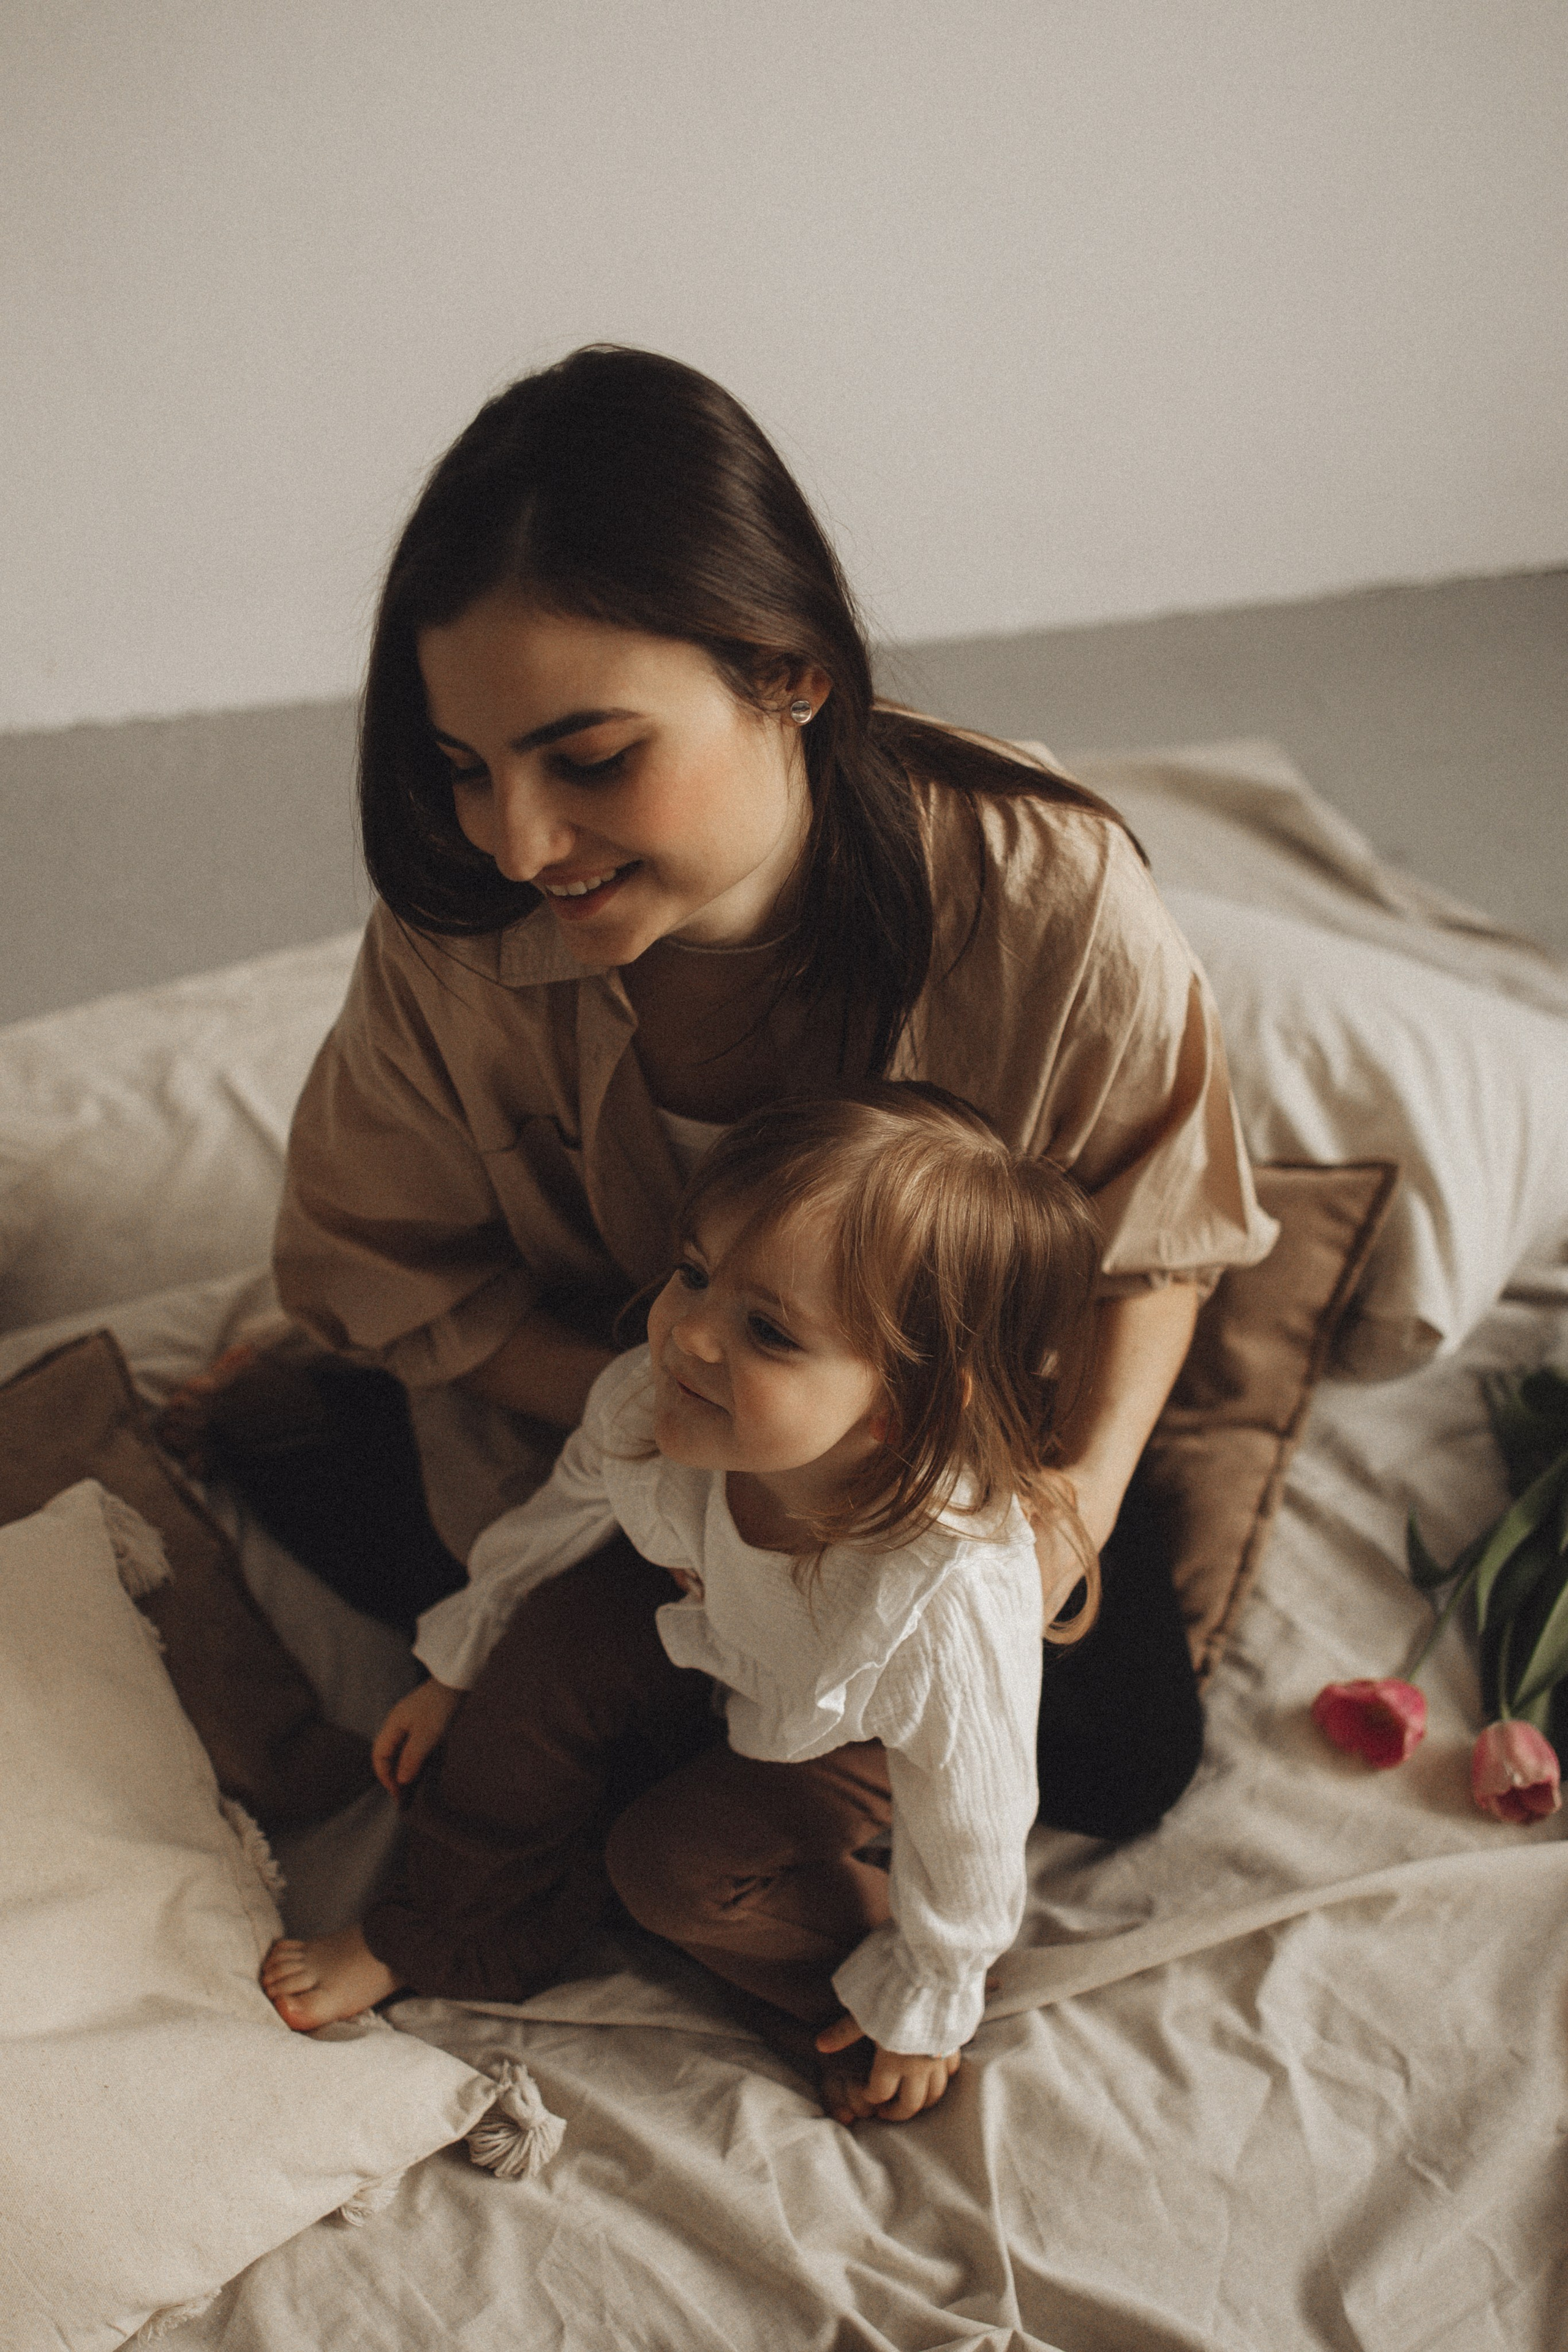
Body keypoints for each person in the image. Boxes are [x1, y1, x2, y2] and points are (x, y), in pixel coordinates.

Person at [260, 341, 1276, 1841]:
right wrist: (678, 1406)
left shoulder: (1043, 895)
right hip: (614, 1430)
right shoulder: (457, 935)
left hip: (923, 1464)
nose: (521, 845)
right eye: (466, 768)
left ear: (788, 673)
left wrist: (1075, 1499)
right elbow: (380, 1269)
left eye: (590, 758)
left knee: (1118, 1757)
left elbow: (1154, 1240)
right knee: (389, 1553)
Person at [263, 1086, 1104, 2125]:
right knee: (550, 1648)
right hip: (710, 1633)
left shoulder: (941, 1597)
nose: (689, 1338)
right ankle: (439, 1928)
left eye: (767, 1332)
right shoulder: (655, 1402)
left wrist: (931, 1988)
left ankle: (843, 1998)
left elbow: (972, 1808)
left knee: (668, 1870)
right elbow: (555, 1517)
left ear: (897, 1409)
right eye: (694, 1275)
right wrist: (458, 1662)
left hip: (845, 1734)